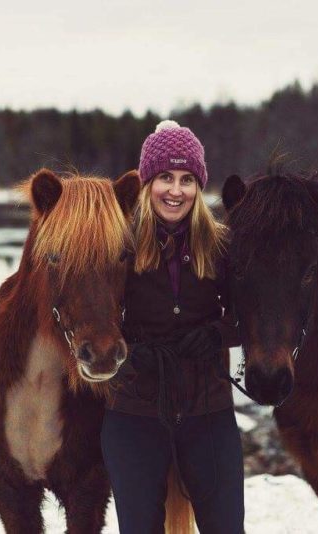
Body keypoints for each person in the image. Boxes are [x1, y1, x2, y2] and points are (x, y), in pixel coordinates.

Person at [101, 119, 244, 534]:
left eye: (186, 179)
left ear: (199, 186)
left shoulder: (221, 245)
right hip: (134, 414)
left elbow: (250, 315)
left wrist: (218, 334)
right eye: (165, 177)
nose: (175, 190)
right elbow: (94, 315)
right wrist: (128, 352)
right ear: (148, 182)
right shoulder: (119, 245)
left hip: (208, 411)